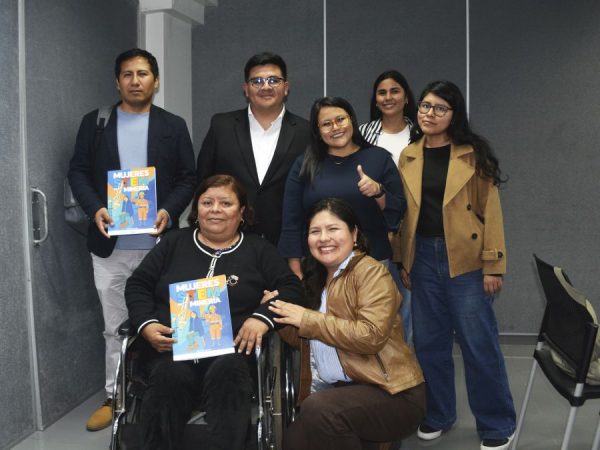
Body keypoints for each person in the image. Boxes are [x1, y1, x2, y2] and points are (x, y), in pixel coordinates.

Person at [67, 48, 196, 431]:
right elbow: (78, 171)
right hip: (110, 248)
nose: (135, 81)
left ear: (156, 81)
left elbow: (188, 177)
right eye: (127, 74)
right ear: (117, 81)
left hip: (160, 248)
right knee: (114, 327)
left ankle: (172, 394)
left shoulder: (173, 125)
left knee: (170, 324)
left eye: (142, 73)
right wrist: (95, 208)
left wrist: (169, 210)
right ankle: (115, 396)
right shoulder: (96, 123)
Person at [125, 175, 304, 450]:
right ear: (196, 210)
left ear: (242, 212)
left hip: (232, 351)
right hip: (171, 349)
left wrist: (261, 318)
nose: (215, 209)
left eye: (226, 203)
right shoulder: (173, 243)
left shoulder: (259, 249)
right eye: (207, 202)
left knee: (229, 375)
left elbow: (292, 288)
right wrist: (146, 324)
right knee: (168, 379)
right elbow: (138, 284)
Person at [398, 80, 515, 450]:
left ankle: (496, 423)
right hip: (422, 258)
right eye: (425, 106)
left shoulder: (472, 154)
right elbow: (405, 214)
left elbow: (491, 211)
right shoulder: (409, 155)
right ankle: (439, 414)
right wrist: (404, 260)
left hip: (466, 260)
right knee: (429, 345)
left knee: (478, 345)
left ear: (454, 114)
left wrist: (493, 265)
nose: (430, 114)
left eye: (440, 108)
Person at [269, 197, 424, 450]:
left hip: (392, 391)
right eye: (315, 232)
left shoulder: (371, 272)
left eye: (333, 229)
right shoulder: (315, 278)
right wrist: (280, 314)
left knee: (319, 409)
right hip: (340, 393)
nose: (324, 238)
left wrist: (306, 318)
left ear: (354, 234)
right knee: (294, 440)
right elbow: (312, 341)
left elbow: (370, 336)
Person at [279, 96, 406, 280]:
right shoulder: (305, 164)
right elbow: (291, 219)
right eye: (326, 124)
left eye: (340, 119)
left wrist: (378, 192)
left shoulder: (379, 158)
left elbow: (398, 212)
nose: (335, 127)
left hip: (373, 264)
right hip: (319, 267)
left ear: (351, 120)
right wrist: (295, 267)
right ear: (317, 131)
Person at [196, 51, 310, 245]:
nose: (265, 86)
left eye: (273, 80)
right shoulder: (222, 125)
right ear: (246, 89)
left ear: (286, 87)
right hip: (229, 238)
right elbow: (203, 180)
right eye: (257, 81)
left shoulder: (306, 131)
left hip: (285, 241)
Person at [359, 70, 417, 345]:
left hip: (414, 230)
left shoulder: (421, 133)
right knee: (380, 308)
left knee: (410, 309)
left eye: (395, 91)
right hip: (376, 233)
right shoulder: (363, 134)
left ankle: (408, 365)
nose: (388, 97)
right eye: (382, 92)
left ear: (406, 97)